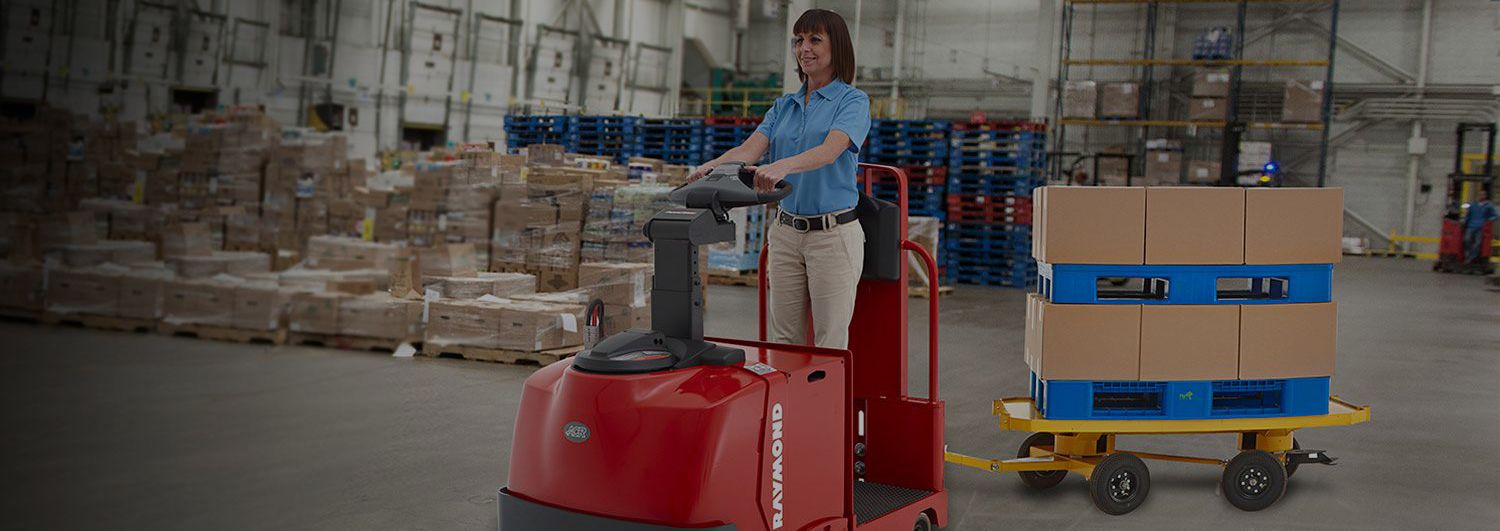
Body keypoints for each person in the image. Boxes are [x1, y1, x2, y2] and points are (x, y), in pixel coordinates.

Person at [688, 8, 870, 349]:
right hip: (786, 234)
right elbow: (749, 149)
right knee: (785, 341)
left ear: (838, 48)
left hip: (832, 237)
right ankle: (794, 404)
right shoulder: (784, 106)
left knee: (829, 342)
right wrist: (709, 167)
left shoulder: (853, 101)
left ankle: (823, 404)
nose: (804, 48)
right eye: (799, 40)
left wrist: (783, 166)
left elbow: (831, 150)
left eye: (815, 40)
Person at [1464, 189, 1497, 264]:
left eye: (1483, 195)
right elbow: (1468, 215)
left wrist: (1488, 220)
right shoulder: (1473, 205)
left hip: (1481, 227)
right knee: (1467, 240)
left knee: (1477, 243)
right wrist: (1465, 222)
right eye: (1480, 195)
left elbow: (1495, 215)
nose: (1481, 196)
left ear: (1485, 196)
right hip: (1471, 226)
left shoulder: (1489, 205)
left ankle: (1471, 258)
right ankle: (1468, 255)